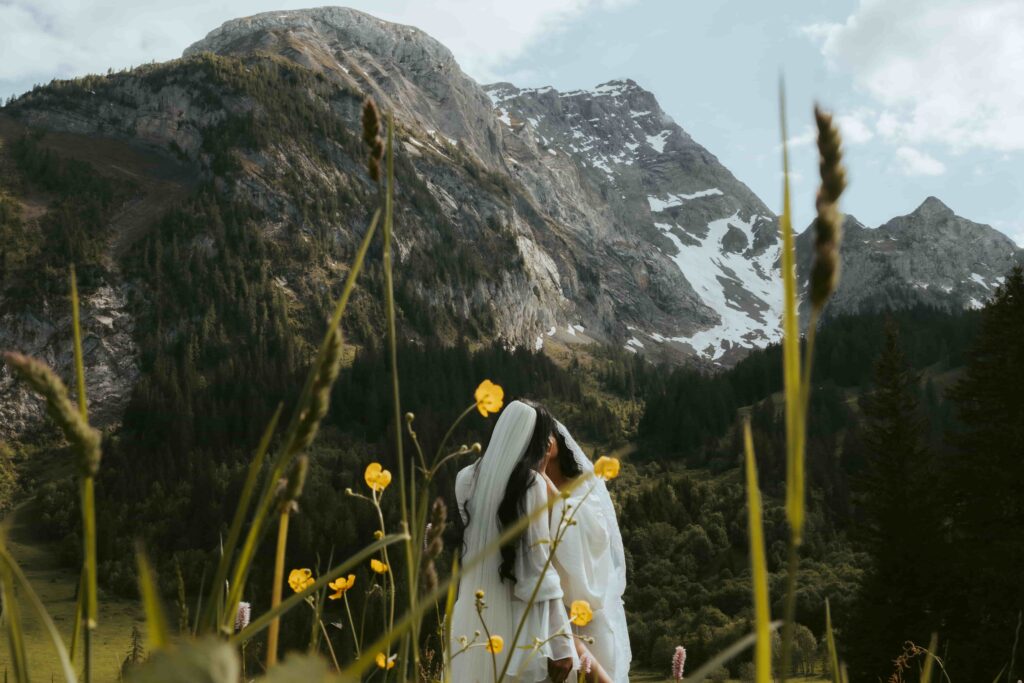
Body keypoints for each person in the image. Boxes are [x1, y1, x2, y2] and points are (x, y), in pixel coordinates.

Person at [451, 400, 578, 682]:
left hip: (473, 616)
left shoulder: (465, 479)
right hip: (518, 621)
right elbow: (538, 568)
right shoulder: (530, 484)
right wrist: (561, 642)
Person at [544, 422, 632, 683]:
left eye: (547, 434)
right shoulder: (530, 487)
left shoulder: (584, 483)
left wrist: (552, 495)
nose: (543, 442)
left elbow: (597, 539)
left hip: (589, 615)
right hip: (553, 616)